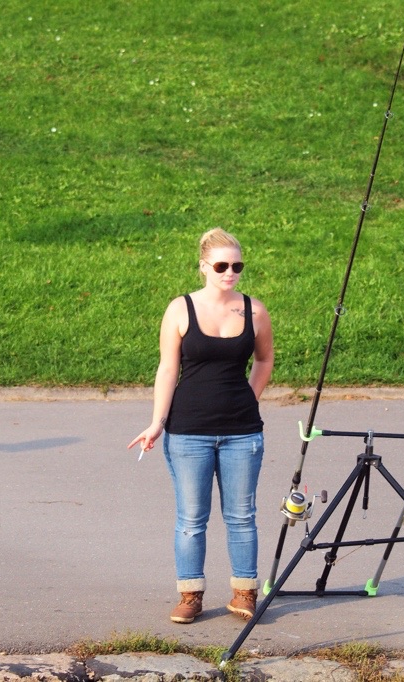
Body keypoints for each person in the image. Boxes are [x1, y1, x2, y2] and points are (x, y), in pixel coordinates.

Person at [128, 227, 274, 624]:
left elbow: (264, 361)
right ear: (204, 267)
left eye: (237, 266)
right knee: (192, 517)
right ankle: (190, 594)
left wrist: (249, 397)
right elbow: (167, 367)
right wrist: (157, 422)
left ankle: (245, 592)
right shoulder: (180, 309)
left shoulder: (254, 310)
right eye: (222, 266)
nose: (230, 273)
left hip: (242, 431)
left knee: (241, 515)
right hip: (188, 430)